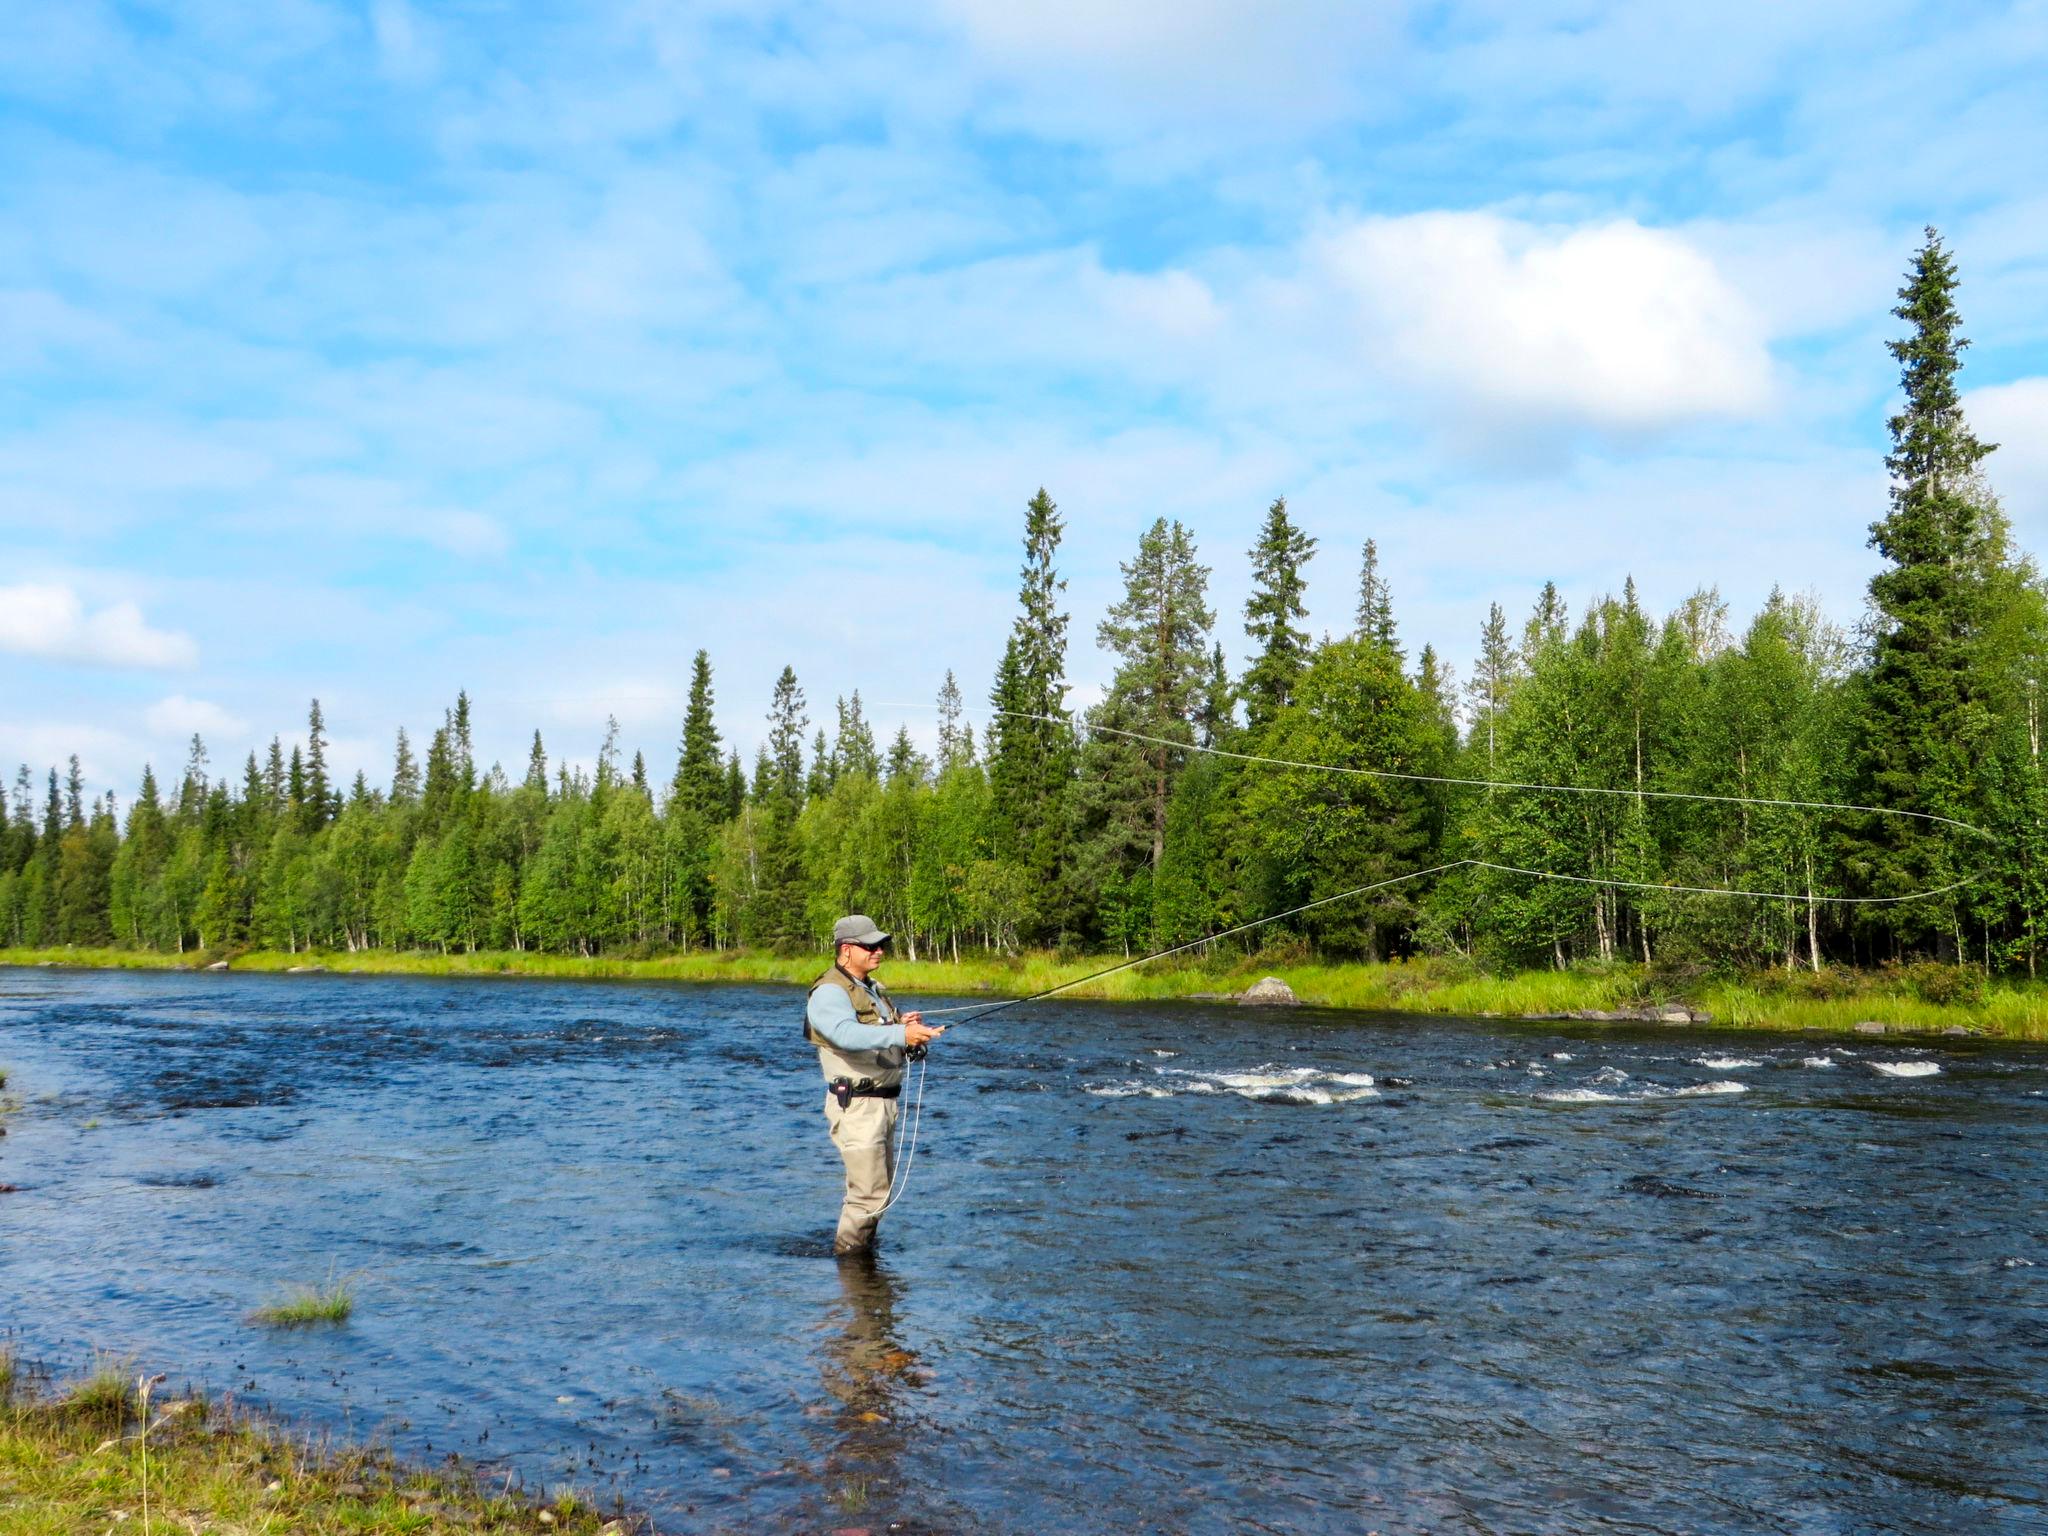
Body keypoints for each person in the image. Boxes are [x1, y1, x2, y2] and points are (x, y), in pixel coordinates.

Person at [805, 914, 943, 1257]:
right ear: (847, 949)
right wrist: (900, 1033)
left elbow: (873, 1030)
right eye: (871, 945)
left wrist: (901, 1024)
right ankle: (851, 1266)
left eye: (881, 944)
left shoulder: (870, 988)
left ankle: (860, 1266)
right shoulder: (829, 992)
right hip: (858, 1106)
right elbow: (845, 1034)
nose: (879, 951)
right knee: (867, 1194)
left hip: (882, 1103)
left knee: (878, 1191)